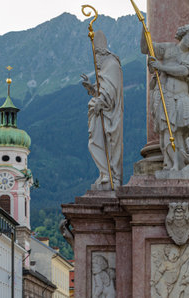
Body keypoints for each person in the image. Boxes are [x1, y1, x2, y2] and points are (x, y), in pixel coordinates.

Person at [141, 24, 189, 172]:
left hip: (182, 95)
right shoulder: (168, 48)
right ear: (183, 35)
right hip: (166, 94)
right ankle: (175, 165)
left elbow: (183, 71)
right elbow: (146, 48)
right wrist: (143, 28)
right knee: (169, 132)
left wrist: (161, 67)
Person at [82, 30, 123, 189]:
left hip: (109, 115)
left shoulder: (111, 65)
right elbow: (104, 89)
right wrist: (91, 88)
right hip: (100, 113)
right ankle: (104, 173)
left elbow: (111, 92)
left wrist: (99, 101)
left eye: (96, 56)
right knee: (94, 142)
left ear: (101, 53)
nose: (95, 62)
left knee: (106, 143)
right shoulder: (104, 67)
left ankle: (110, 175)